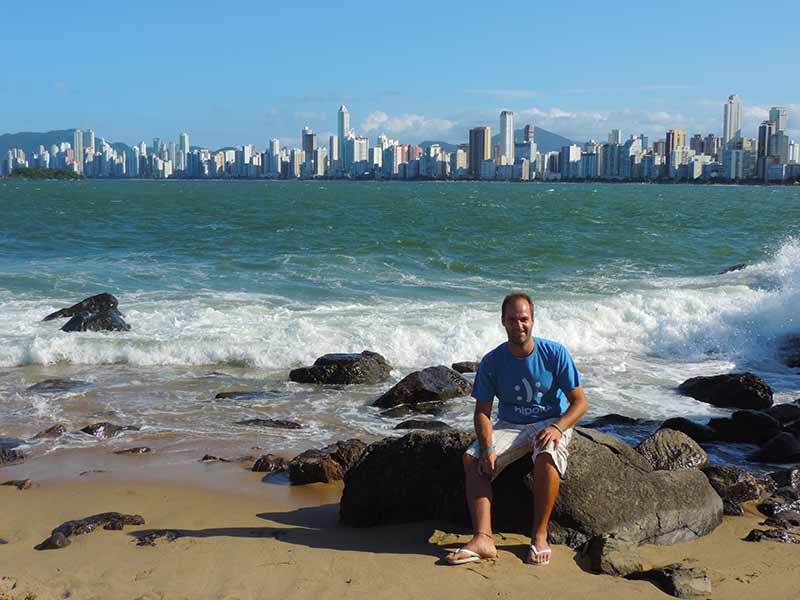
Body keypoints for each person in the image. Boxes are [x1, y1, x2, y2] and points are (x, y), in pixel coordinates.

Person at [446, 292, 588, 566]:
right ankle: (484, 538)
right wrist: (487, 447)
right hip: (510, 425)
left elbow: (580, 403)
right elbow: (483, 413)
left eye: (524, 319)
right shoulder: (492, 361)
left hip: (551, 420)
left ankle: (539, 535)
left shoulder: (554, 353)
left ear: (533, 321)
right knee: (473, 458)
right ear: (503, 321)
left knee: (547, 453)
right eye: (512, 319)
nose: (518, 325)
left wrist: (559, 428)